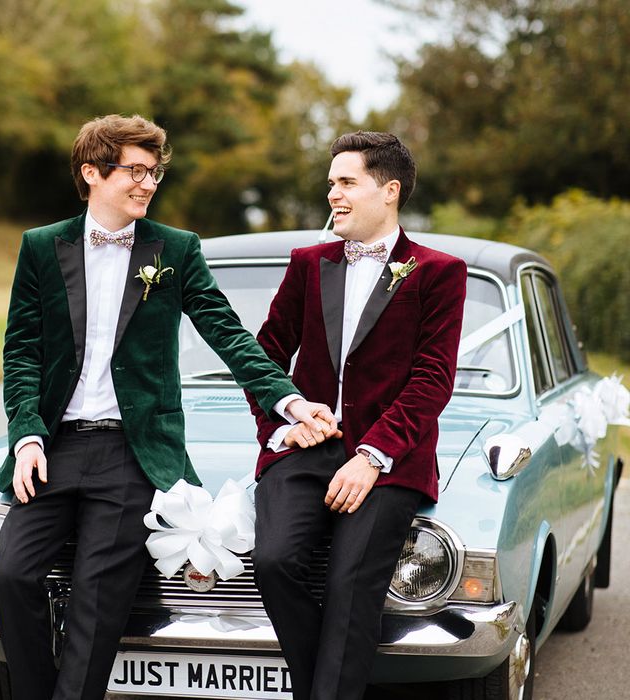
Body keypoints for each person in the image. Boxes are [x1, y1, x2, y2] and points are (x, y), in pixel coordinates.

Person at [0, 113, 334, 700]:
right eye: (136, 171)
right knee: (11, 580)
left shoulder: (174, 249)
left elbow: (228, 333)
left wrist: (288, 401)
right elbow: (21, 351)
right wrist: (26, 435)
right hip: (55, 447)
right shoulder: (43, 247)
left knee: (98, 603)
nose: (148, 183)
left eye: (155, 172)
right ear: (92, 173)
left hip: (133, 453)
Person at [247, 131, 467, 700]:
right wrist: (282, 424)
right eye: (330, 185)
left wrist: (372, 456)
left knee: (350, 585)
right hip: (304, 450)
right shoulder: (308, 263)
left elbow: (432, 379)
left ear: (389, 190)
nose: (333, 196)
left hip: (388, 460)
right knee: (272, 562)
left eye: (347, 183)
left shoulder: (438, 271)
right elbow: (265, 354)